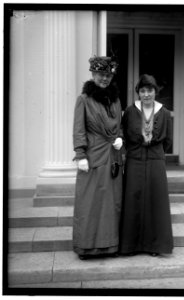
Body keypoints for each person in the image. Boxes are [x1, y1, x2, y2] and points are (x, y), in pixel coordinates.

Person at [73, 56, 123, 260]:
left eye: (108, 75)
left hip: (113, 156)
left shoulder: (116, 99)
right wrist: (80, 154)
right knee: (90, 202)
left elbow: (119, 124)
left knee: (111, 203)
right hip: (92, 156)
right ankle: (86, 247)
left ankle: (110, 246)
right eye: (101, 74)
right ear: (93, 74)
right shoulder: (84, 99)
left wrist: (120, 137)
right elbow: (78, 129)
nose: (105, 78)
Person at [119, 74, 174, 257]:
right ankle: (131, 246)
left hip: (156, 161)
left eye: (149, 90)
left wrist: (154, 153)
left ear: (155, 91)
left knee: (155, 202)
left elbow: (168, 141)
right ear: (138, 93)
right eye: (142, 91)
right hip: (135, 160)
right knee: (133, 200)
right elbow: (125, 134)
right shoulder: (130, 111)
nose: (146, 94)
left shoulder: (165, 113)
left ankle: (154, 246)